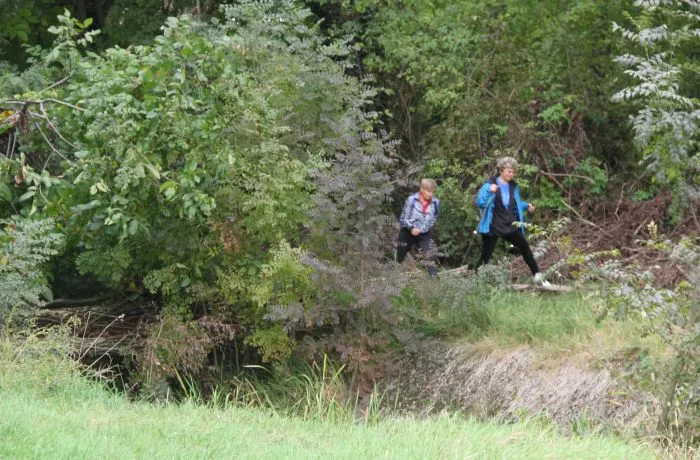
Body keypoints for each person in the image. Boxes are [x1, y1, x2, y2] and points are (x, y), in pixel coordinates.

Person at [475, 156, 547, 284]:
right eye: (509, 171)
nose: (511, 174)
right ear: (501, 170)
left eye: (513, 172)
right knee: (486, 256)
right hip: (493, 226)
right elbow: (480, 203)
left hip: (509, 224)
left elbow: (514, 205)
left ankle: (537, 275)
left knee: (524, 245)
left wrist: (526, 206)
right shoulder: (490, 184)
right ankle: (475, 281)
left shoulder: (513, 186)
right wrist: (490, 192)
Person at [396, 179, 440, 277]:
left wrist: (427, 226)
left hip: (424, 233)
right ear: (422, 189)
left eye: (432, 192)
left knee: (431, 253)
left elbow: (435, 216)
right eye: (428, 191)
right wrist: (411, 228)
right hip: (407, 232)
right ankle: (395, 275)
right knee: (400, 255)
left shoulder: (435, 202)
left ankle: (434, 277)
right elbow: (404, 218)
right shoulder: (411, 200)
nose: (431, 194)